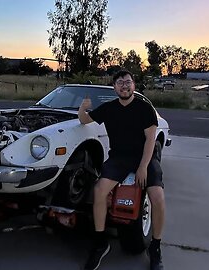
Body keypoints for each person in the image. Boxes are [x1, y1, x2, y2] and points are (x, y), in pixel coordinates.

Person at [78, 70, 165, 270]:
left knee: (158, 197)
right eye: (119, 82)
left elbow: (150, 140)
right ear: (114, 87)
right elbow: (84, 120)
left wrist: (143, 167)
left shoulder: (144, 108)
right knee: (99, 190)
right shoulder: (109, 108)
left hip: (144, 157)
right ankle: (100, 243)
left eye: (127, 82)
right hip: (119, 158)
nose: (124, 85)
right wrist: (82, 109)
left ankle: (156, 247)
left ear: (133, 85)